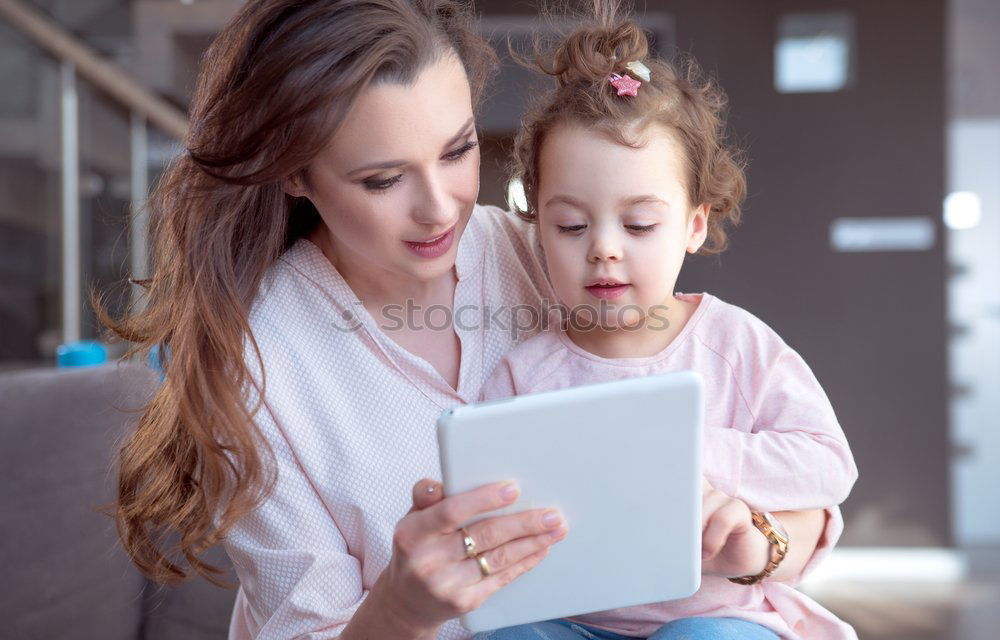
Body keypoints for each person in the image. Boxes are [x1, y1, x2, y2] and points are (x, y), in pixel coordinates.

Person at [100, 1, 842, 638]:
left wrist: (764, 541)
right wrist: (401, 607)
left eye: (457, 151)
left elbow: (791, 483)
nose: (440, 207)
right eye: (383, 178)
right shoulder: (259, 362)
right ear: (295, 174)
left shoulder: (547, 251)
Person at [473, 2, 859, 639]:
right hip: (567, 618)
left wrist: (682, 454)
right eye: (570, 225)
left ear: (694, 224)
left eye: (640, 224)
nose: (603, 248)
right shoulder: (525, 371)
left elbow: (828, 464)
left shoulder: (736, 345)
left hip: (715, 613)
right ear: (537, 227)